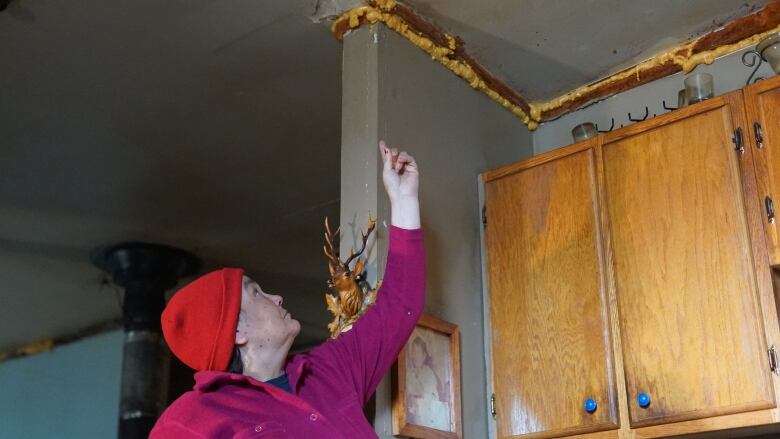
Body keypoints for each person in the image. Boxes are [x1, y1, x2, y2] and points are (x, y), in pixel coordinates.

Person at [150, 141, 424, 438]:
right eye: (256, 293)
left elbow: (399, 305)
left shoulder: (330, 370)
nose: (276, 297)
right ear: (236, 329)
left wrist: (403, 200)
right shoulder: (190, 419)